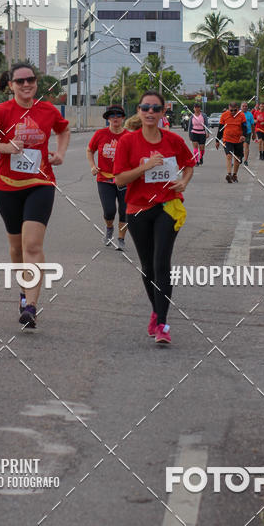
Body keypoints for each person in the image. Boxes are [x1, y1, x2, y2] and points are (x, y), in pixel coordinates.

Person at [0, 63, 70, 329]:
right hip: (7, 187)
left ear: (36, 83)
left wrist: (60, 153)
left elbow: (64, 129)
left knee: (32, 246)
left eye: (30, 79)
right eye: (20, 81)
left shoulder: (48, 110)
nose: (26, 84)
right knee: (17, 248)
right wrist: (7, 147)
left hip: (41, 183)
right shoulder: (2, 111)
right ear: (11, 85)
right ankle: (23, 291)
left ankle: (31, 305)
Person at [114, 91, 194, 345]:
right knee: (148, 266)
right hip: (137, 209)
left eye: (155, 108)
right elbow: (119, 179)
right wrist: (145, 167)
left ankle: (162, 324)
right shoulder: (128, 142)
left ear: (162, 112)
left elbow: (189, 163)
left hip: (167, 207)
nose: (150, 112)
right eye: (145, 108)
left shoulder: (172, 140)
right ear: (138, 111)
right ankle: (157, 310)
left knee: (162, 263)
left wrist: (183, 181)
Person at [87, 105, 128, 250]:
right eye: (112, 115)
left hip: (124, 180)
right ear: (108, 119)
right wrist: (93, 166)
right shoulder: (100, 134)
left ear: (123, 118)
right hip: (104, 179)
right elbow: (90, 150)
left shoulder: (129, 136)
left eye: (118, 115)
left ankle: (121, 239)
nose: (115, 118)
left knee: (124, 210)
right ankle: (109, 228)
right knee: (109, 211)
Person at [217, 101, 247, 183]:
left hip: (238, 140)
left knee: (237, 158)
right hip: (227, 139)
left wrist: (243, 135)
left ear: (237, 108)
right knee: (229, 156)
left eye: (235, 110)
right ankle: (229, 174)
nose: (233, 112)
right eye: (231, 110)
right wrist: (217, 140)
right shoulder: (224, 115)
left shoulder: (241, 115)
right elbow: (220, 129)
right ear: (228, 109)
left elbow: (244, 127)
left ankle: (234, 175)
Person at [240, 102, 256, 167]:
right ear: (241, 107)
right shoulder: (238, 114)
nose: (245, 107)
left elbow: (252, 125)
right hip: (239, 133)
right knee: (240, 147)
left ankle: (245, 160)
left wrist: (254, 134)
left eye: (246, 106)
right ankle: (240, 157)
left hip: (248, 132)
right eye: (243, 106)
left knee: (246, 146)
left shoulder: (250, 114)